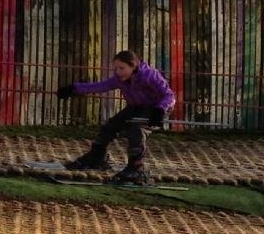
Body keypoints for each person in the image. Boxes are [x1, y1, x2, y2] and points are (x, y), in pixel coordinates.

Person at [57, 50, 176, 185]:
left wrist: (160, 110)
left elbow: (169, 96)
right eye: (116, 69)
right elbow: (101, 86)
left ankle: (137, 167)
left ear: (133, 65)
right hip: (136, 107)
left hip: (156, 108)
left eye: (122, 68)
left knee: (136, 129)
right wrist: (73, 89)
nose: (118, 72)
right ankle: (96, 157)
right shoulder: (120, 79)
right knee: (111, 125)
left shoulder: (149, 75)